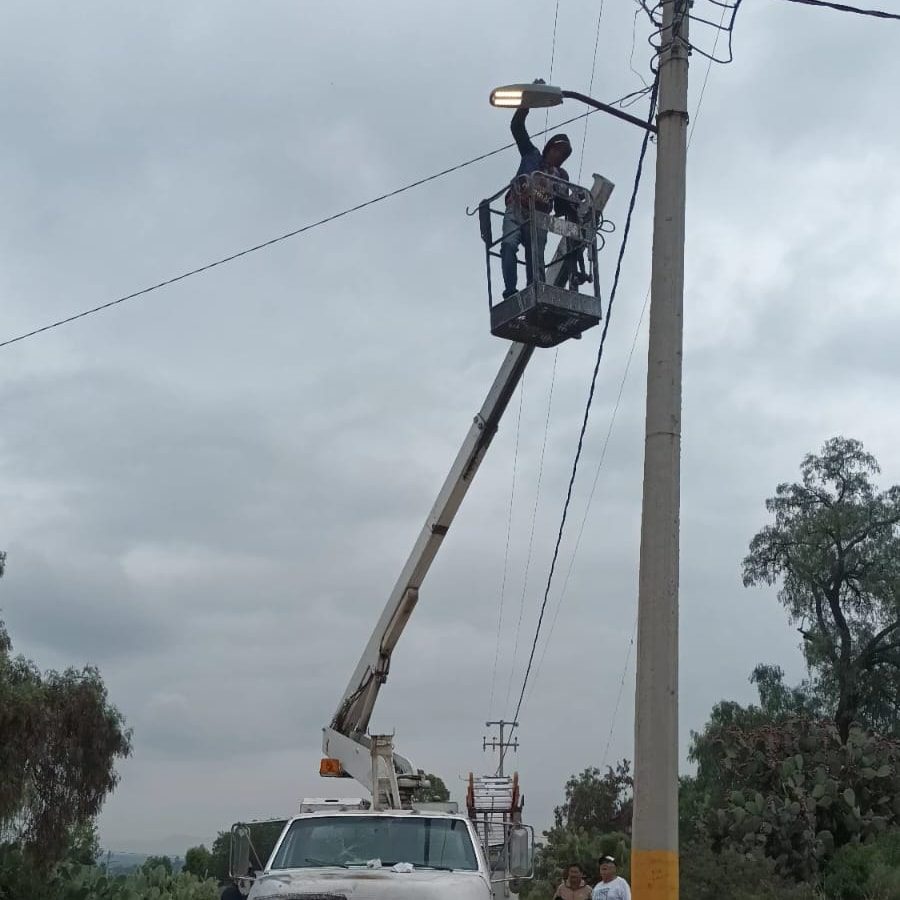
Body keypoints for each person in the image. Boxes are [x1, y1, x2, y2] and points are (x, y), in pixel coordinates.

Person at [500, 82, 573, 299]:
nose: (559, 155)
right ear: (549, 148)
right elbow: (517, 128)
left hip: (539, 217)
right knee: (508, 245)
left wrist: (576, 209)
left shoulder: (561, 176)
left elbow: (562, 205)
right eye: (557, 150)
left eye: (563, 153)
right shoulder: (531, 156)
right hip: (516, 209)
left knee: (535, 256)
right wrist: (528, 100)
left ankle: (536, 291)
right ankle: (511, 291)